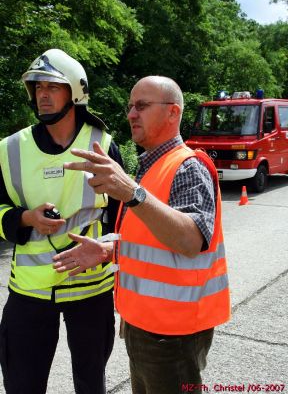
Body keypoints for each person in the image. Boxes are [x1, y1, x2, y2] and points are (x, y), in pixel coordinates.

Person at [53, 76, 231, 394]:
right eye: (130, 106)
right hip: (146, 325)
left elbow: (190, 240)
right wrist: (109, 251)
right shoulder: (152, 165)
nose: (131, 114)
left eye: (142, 106)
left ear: (173, 113)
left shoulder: (187, 167)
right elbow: (153, 240)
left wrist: (132, 193)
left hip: (172, 333)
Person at [0, 48, 123, 394]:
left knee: (91, 384)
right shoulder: (10, 149)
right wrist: (24, 217)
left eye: (52, 87)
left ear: (76, 92)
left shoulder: (103, 145)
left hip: (92, 288)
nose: (42, 94)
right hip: (29, 290)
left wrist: (108, 250)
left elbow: (122, 218)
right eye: (37, 88)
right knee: (23, 385)